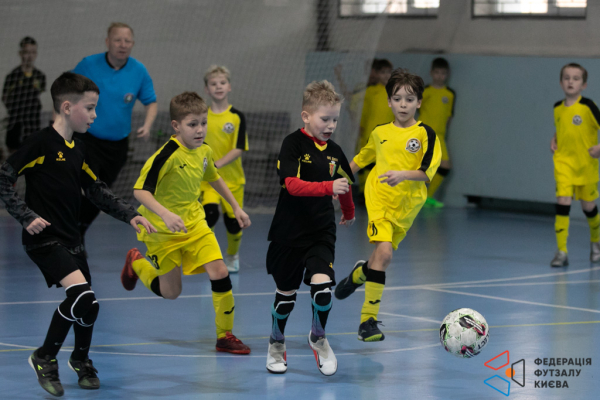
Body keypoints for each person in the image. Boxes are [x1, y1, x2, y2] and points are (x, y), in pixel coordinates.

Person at [0, 72, 155, 397]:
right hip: (43, 239)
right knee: (82, 297)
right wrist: (25, 215)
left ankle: (81, 360)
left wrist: (130, 215)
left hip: (72, 239)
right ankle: (44, 357)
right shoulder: (41, 143)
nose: (95, 115)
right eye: (91, 108)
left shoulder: (80, 149)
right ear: (68, 107)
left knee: (90, 306)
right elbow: (3, 177)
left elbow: (96, 190)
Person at [120, 91, 252, 354]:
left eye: (203, 123)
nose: (200, 129)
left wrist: (235, 207)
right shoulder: (166, 156)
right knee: (171, 292)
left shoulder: (204, 150)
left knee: (220, 272)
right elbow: (140, 191)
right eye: (193, 124)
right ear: (176, 126)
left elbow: (214, 177)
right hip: (161, 230)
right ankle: (136, 261)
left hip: (195, 224)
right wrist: (166, 214)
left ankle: (225, 335)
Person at [335, 69, 441, 342]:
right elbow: (360, 159)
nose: (403, 104)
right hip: (379, 199)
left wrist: (403, 175)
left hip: (406, 208)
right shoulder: (380, 132)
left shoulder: (426, 134)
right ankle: (367, 322)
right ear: (389, 102)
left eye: (409, 99)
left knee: (379, 259)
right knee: (385, 255)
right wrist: (337, 182)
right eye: (397, 99)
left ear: (419, 102)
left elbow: (426, 173)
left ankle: (359, 274)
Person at [265, 81, 355, 376]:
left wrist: (349, 211)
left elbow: (344, 183)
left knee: (322, 289)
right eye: (324, 119)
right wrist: (328, 187)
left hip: (321, 230)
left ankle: (318, 337)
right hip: (289, 232)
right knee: (285, 296)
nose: (330, 126)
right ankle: (276, 342)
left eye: (335, 120)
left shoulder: (335, 151)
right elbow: (292, 185)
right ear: (306, 116)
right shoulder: (292, 144)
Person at [72, 22, 157, 245]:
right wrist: (58, 122)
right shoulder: (88, 65)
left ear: (133, 44)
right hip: (87, 139)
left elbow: (151, 102)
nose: (122, 44)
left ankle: (78, 231)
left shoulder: (138, 70)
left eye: (127, 41)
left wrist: (147, 125)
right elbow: (65, 90)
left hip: (118, 145)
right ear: (108, 42)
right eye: (118, 40)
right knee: (90, 186)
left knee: (101, 193)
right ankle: (71, 234)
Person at [550, 63, 600, 267]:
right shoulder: (557, 107)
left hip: (586, 165)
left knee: (588, 206)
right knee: (563, 202)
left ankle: (596, 242)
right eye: (567, 78)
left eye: (576, 78)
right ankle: (561, 251)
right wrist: (555, 138)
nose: (570, 82)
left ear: (584, 85)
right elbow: (563, 128)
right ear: (561, 82)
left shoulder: (588, 106)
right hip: (563, 163)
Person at [200, 65, 249, 273]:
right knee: (209, 215)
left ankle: (232, 255)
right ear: (207, 89)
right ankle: (209, 257)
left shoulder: (237, 116)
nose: (218, 87)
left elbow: (239, 148)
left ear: (229, 87)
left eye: (222, 83)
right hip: (208, 180)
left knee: (233, 222)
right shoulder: (202, 116)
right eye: (213, 84)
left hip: (232, 180)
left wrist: (217, 164)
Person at [419, 57, 455, 208]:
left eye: (443, 73)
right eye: (437, 73)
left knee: (445, 167)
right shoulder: (425, 91)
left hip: (439, 136)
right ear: (431, 73)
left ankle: (427, 197)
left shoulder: (450, 94)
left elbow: (449, 116)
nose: (440, 76)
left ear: (447, 74)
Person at [356, 59, 394, 200]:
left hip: (388, 133)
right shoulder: (371, 91)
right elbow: (364, 111)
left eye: (388, 72)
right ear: (377, 74)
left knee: (383, 163)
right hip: (371, 131)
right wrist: (361, 126)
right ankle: (367, 191)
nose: (386, 75)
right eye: (383, 72)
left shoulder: (395, 91)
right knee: (368, 162)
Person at [2, 36, 46, 153]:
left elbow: (40, 94)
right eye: (26, 52)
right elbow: (5, 97)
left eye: (33, 52)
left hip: (32, 122)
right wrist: (14, 110)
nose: (30, 56)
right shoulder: (12, 76)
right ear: (20, 53)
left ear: (36, 54)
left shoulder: (40, 76)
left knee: (33, 151)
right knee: (13, 152)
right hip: (15, 122)